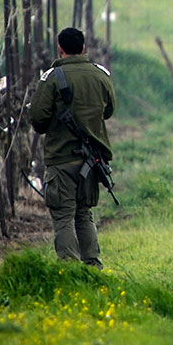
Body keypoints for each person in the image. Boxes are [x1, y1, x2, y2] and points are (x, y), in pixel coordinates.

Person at [27, 26, 116, 268]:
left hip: (61, 159)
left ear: (60, 48)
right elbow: (108, 111)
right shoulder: (100, 75)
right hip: (92, 160)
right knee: (84, 213)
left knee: (64, 217)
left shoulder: (52, 78)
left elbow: (37, 119)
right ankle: (92, 267)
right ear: (84, 47)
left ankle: (70, 271)